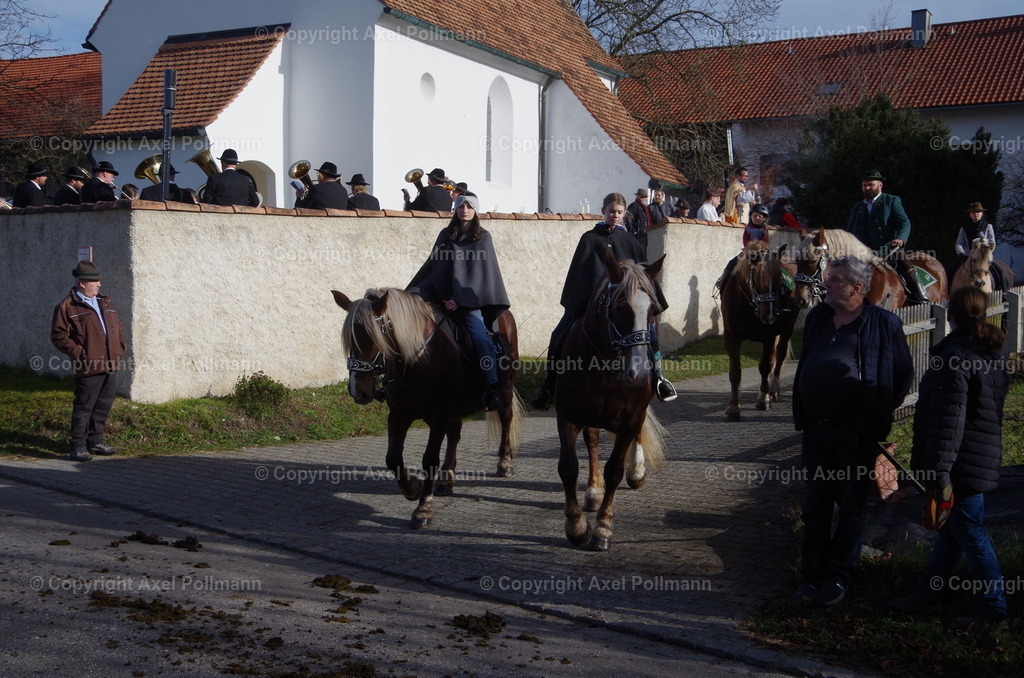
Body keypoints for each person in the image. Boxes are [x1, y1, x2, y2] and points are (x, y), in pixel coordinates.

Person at [791, 255, 914, 606]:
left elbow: (902, 375)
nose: (826, 283)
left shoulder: (883, 324)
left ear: (857, 288)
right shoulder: (817, 318)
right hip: (816, 431)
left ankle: (839, 576)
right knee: (815, 506)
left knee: (850, 506)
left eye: (835, 279)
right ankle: (810, 576)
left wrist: (876, 410)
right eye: (829, 277)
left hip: (855, 435)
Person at [891, 286, 1010, 627]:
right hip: (980, 458)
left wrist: (939, 474)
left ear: (950, 315)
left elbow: (948, 422)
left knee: (971, 534)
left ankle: (994, 610)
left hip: (958, 465)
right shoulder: (991, 353)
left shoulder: (953, 359)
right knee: (952, 532)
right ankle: (927, 593)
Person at [530, 192, 676, 410]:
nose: (615, 216)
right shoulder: (590, 239)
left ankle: (659, 379)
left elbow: (643, 275)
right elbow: (579, 275)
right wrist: (584, 300)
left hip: (624, 305)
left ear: (624, 213)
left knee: (651, 334)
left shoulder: (630, 241)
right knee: (558, 334)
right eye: (611, 212)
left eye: (619, 212)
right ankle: (550, 384)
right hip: (591, 302)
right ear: (603, 211)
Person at [406, 193, 509, 411]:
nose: (465, 210)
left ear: (475, 211)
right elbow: (433, 267)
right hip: (440, 299)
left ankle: (491, 387)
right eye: (461, 206)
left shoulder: (483, 237)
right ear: (455, 209)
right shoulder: (445, 235)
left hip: (469, 304)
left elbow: (482, 277)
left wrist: (460, 301)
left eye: (469, 207)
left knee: (481, 340)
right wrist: (419, 292)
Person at [50, 261, 127, 462]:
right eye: (95, 281)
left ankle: (96, 442)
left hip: (111, 363)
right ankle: (77, 446)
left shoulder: (104, 302)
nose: (99, 284)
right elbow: (59, 336)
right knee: (84, 406)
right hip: (89, 366)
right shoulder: (67, 306)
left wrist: (119, 347)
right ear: (83, 283)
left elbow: (117, 327)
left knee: (103, 405)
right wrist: (81, 353)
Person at [845, 169, 926, 302]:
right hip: (862, 252)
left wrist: (900, 238)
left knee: (904, 264)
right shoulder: (857, 207)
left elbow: (904, 223)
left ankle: (921, 296)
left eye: (871, 185)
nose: (867, 188)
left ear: (880, 185)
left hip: (888, 248)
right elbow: (849, 231)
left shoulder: (891, 201)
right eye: (864, 185)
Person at [626, 188, 653, 253]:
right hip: (637, 236)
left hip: (644, 235)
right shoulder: (634, 206)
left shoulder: (644, 207)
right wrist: (633, 231)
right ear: (640, 198)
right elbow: (627, 219)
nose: (646, 199)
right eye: (645, 197)